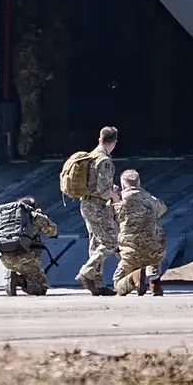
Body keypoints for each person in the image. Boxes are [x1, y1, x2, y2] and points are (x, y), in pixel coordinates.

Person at [76, 125, 121, 296]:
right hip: (97, 206)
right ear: (114, 143)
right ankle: (86, 272)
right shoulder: (104, 160)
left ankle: (97, 284)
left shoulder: (91, 156)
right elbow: (103, 191)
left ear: (100, 139)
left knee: (96, 243)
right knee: (111, 241)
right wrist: (114, 196)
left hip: (86, 204)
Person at [111, 168, 168, 297]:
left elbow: (111, 217)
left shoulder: (119, 201)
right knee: (154, 239)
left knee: (118, 285)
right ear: (139, 183)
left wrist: (113, 197)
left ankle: (134, 277)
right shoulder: (151, 199)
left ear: (123, 184)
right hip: (154, 251)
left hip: (130, 252)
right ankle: (154, 281)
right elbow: (162, 209)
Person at [0, 195, 59, 295]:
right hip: (27, 259)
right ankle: (19, 280)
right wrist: (43, 216)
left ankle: (10, 275)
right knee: (41, 288)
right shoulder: (34, 216)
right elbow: (52, 231)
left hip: (5, 259)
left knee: (13, 263)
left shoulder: (5, 216)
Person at [14, 29, 54, 158]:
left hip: (29, 85)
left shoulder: (22, 47)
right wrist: (45, 76)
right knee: (31, 117)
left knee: (32, 115)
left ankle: (27, 148)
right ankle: (24, 149)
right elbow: (33, 66)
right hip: (29, 86)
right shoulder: (28, 49)